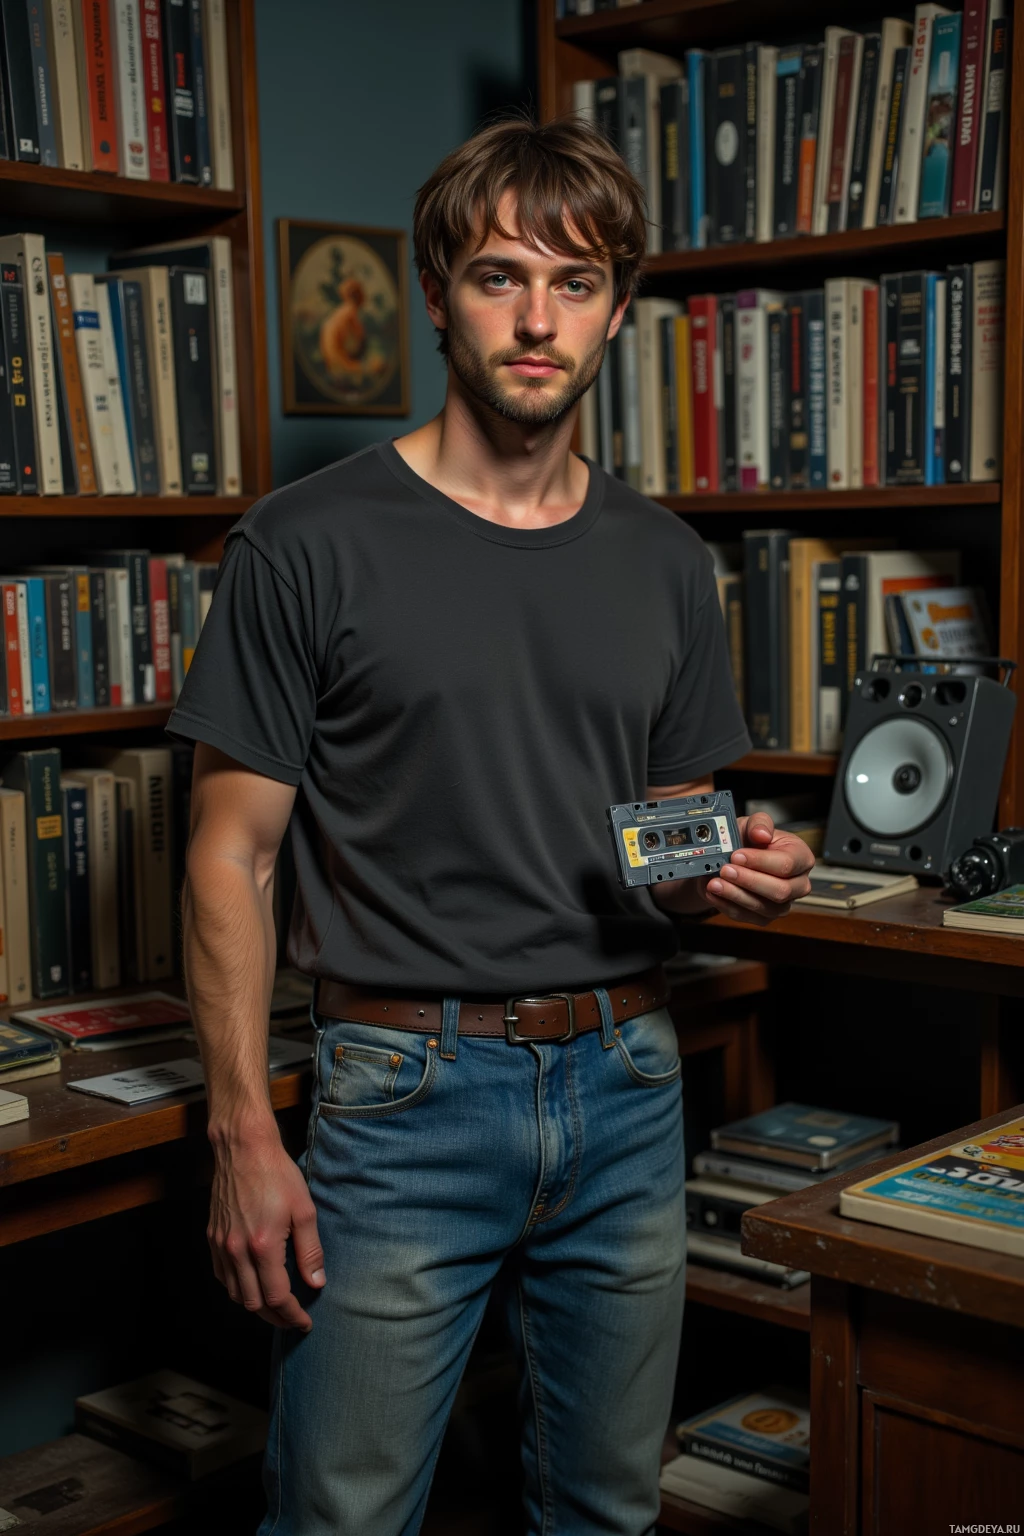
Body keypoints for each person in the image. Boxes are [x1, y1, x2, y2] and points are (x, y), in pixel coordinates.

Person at [169, 114, 815, 1536]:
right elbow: (231, 853)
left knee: (606, 1513)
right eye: (500, 276)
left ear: (618, 309)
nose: (537, 319)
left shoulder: (666, 561)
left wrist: (737, 869)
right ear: (437, 293)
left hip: (630, 1084)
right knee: (340, 1518)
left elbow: (667, 843)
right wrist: (241, 1136)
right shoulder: (305, 540)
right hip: (405, 1094)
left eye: (575, 283)